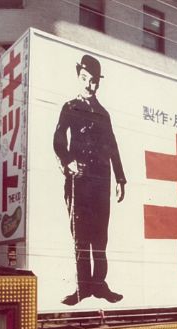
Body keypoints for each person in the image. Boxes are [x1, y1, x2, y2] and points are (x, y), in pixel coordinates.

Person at [53, 53, 127, 306]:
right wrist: (67, 161)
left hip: (101, 180)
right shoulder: (69, 107)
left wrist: (120, 179)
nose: (89, 84)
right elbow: (58, 140)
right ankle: (82, 287)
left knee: (100, 235)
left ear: (98, 82)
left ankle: (99, 285)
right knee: (81, 235)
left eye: (93, 80)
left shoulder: (104, 114)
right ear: (79, 77)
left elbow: (113, 147)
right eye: (85, 78)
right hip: (79, 178)